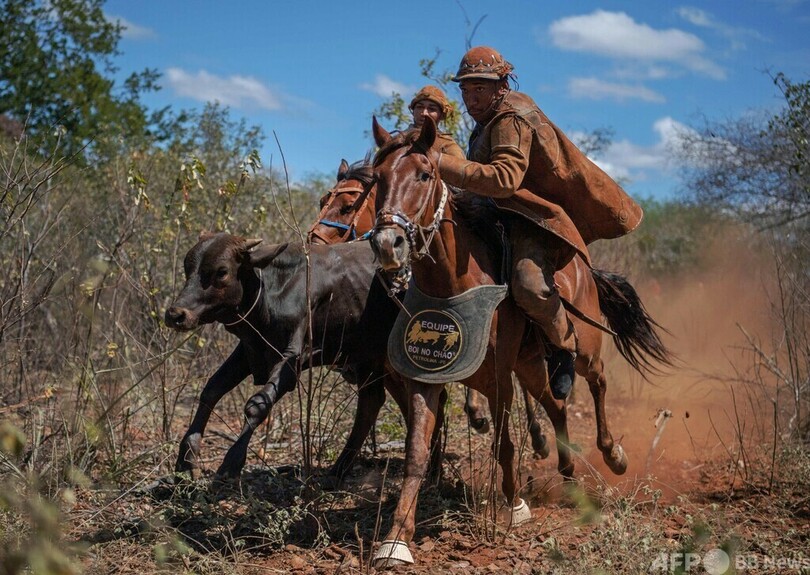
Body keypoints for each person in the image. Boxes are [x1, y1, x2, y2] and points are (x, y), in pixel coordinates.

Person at [436, 46, 644, 399]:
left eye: (480, 89)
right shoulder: (486, 121)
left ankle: (563, 345)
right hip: (500, 214)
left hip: (533, 220)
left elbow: (504, 179)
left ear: (501, 86)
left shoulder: (510, 120)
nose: (471, 99)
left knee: (529, 285)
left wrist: (442, 164)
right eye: (466, 90)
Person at [407, 85, 466, 159]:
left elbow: (460, 167)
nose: (424, 113)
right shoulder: (398, 140)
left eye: (431, 109)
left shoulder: (447, 145)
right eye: (420, 107)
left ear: (441, 115)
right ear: (413, 111)